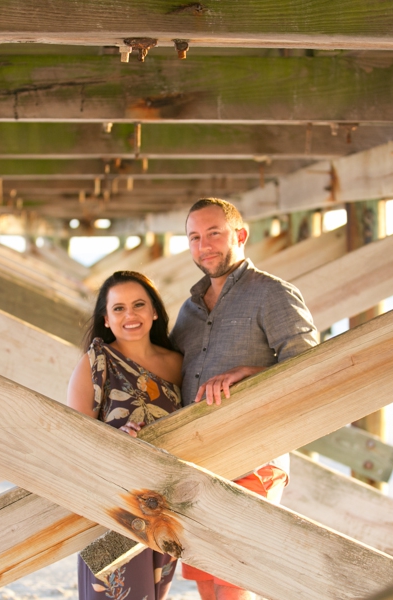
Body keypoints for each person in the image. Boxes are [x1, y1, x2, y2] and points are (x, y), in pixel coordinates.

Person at [171, 198, 319, 600]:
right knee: (208, 581)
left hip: (255, 455)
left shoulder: (272, 293)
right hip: (197, 462)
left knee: (235, 579)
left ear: (240, 234)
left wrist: (250, 374)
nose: (204, 245)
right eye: (194, 237)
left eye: (214, 233)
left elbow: (312, 367)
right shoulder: (188, 311)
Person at [67, 271, 183, 600]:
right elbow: (72, 440)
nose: (130, 315)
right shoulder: (94, 364)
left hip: (163, 507)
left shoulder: (177, 364)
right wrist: (118, 442)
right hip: (111, 503)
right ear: (105, 318)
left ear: (155, 311)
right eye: (118, 309)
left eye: (138, 305)